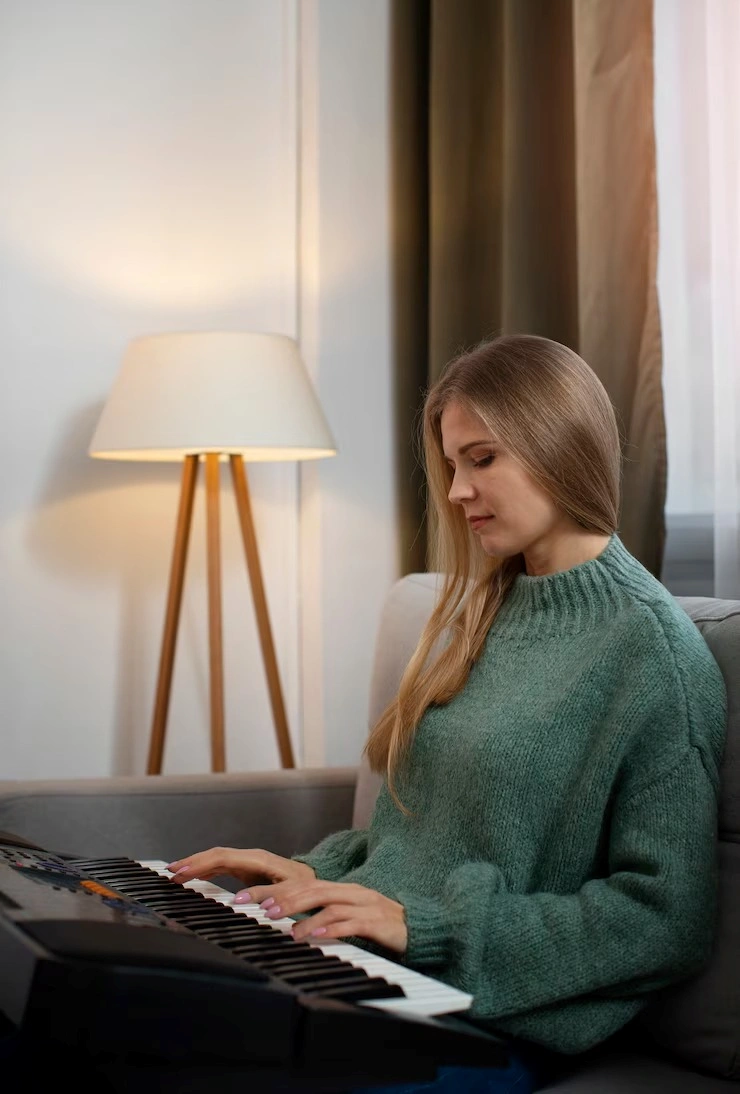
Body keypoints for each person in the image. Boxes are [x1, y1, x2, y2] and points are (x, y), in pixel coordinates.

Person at [168, 334, 728, 1094]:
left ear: (559, 443)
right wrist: (311, 872)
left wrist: (432, 930)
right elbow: (423, 833)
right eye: (453, 464)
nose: (458, 490)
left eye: (482, 458)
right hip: (371, 971)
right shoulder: (471, 613)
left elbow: (664, 921)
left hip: (486, 1018)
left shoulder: (652, 654)